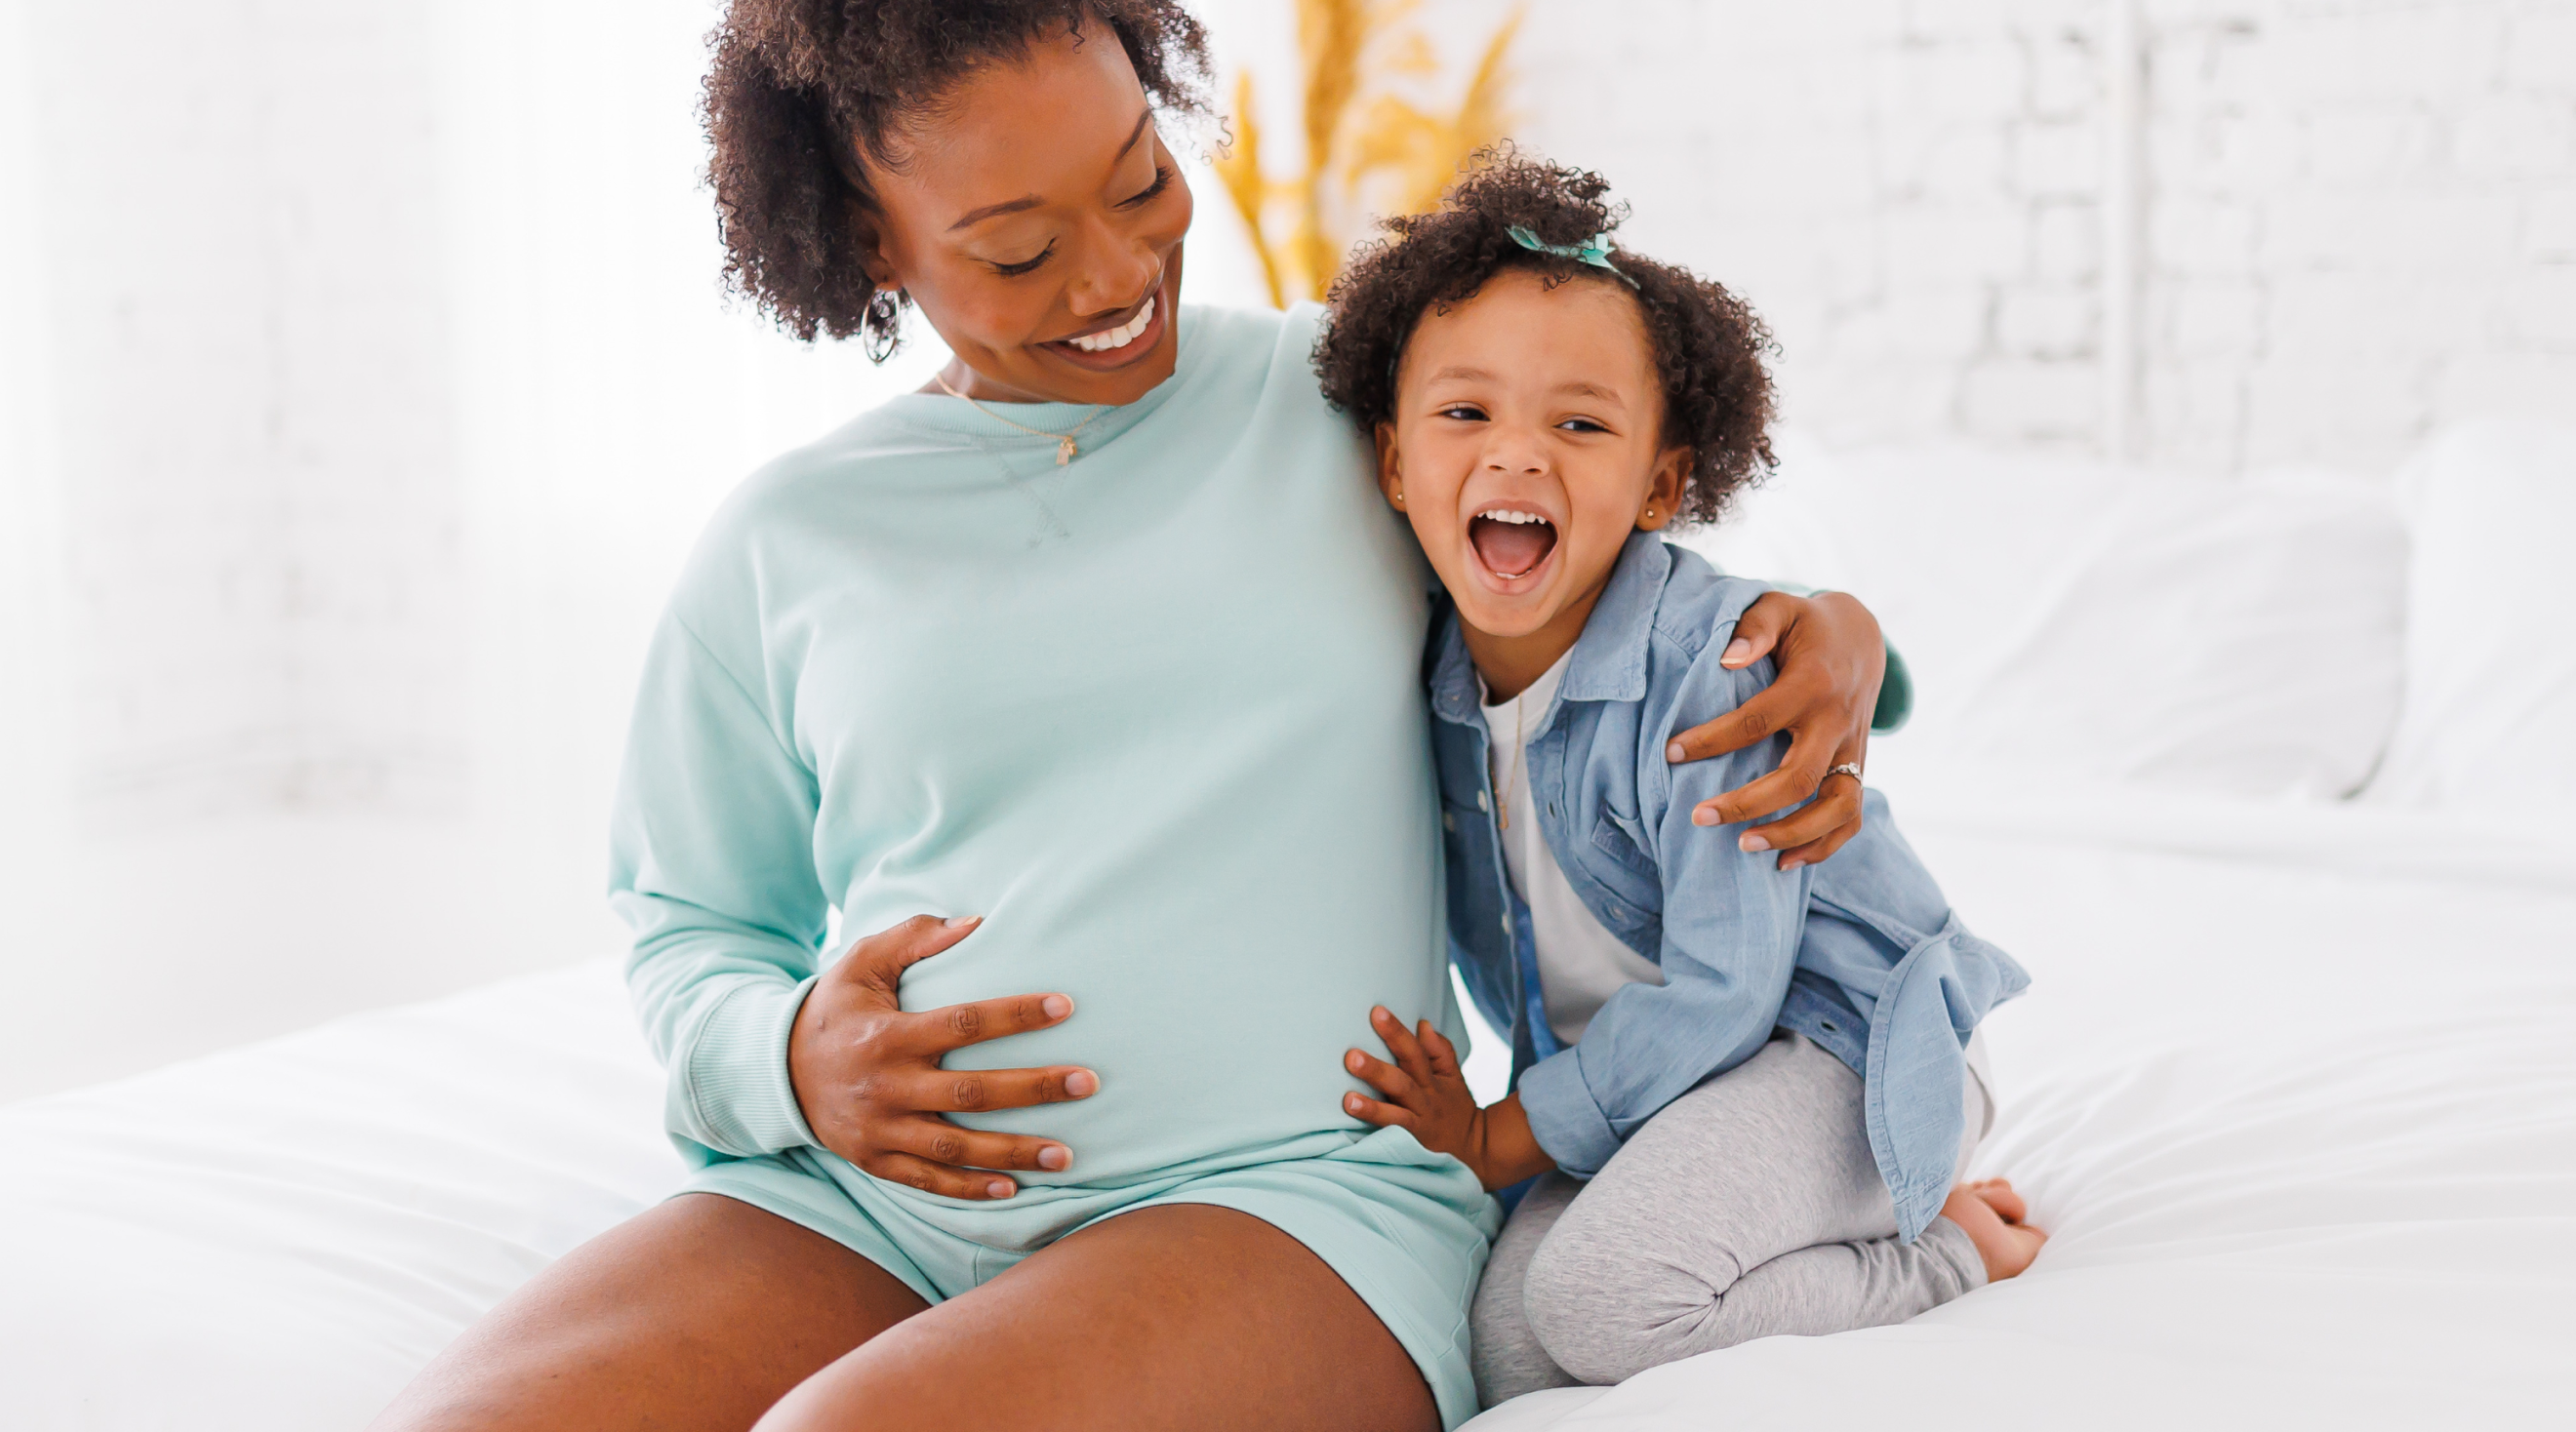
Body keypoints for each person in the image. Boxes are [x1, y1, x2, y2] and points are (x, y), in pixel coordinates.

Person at [369, 7, 1901, 1431]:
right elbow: (689, 922)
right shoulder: (786, 540)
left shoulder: (1337, 407)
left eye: (1139, 181)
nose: (1113, 277)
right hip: (871, 1202)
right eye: (1020, 250)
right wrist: (786, 1059)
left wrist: (1845, 640)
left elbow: (1602, 564)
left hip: (1298, 1197)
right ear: (866, 244)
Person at [1313, 154, 2047, 1409]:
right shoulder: (1423, 681)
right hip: (1655, 1087)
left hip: (1836, 1051)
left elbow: (1727, 985)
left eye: (1580, 424)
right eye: (1466, 414)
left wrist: (1502, 1133)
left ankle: (1948, 1247)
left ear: (1662, 484)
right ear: (1393, 462)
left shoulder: (1717, 669)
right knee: (1510, 1347)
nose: (1519, 458)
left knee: (1604, 1300)